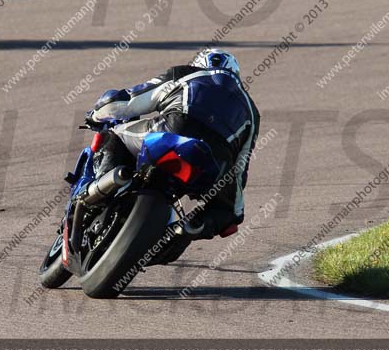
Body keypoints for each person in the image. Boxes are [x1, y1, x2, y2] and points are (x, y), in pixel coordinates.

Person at [86, 49, 261, 243]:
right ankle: (192, 227)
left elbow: (128, 101)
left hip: (173, 130)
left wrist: (96, 114)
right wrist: (233, 209)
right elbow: (240, 166)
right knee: (228, 214)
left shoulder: (186, 73)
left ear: (200, 63)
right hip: (215, 159)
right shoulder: (252, 111)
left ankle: (98, 197)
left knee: (113, 135)